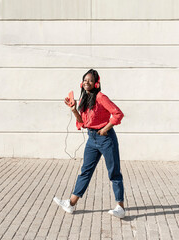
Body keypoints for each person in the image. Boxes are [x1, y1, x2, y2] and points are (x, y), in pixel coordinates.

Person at [53, 69, 125, 218]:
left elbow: (118, 113)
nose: (87, 82)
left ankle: (120, 207)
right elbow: (83, 122)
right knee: (85, 171)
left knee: (114, 172)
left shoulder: (101, 97)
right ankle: (71, 204)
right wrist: (73, 110)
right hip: (92, 139)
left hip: (106, 138)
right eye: (85, 80)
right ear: (82, 82)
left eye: (90, 80)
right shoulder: (85, 98)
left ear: (96, 83)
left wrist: (105, 129)